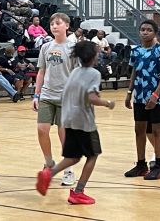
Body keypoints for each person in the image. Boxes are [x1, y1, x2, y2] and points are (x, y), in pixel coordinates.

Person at [36, 40, 115, 204]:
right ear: (93, 56)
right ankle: (78, 192)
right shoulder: (94, 73)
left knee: (73, 157)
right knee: (93, 155)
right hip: (84, 122)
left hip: (69, 119)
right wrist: (107, 103)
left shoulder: (75, 71)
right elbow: (91, 97)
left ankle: (49, 174)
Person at [32, 12, 78, 186]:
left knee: (64, 134)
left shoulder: (74, 48)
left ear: (67, 25)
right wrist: (36, 94)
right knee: (42, 129)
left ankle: (68, 169)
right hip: (47, 95)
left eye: (58, 23)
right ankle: (49, 162)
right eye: (52, 24)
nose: (54, 26)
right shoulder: (46, 47)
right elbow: (41, 72)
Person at [124, 20, 160, 180]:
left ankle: (159, 166)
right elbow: (134, 70)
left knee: (157, 130)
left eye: (149, 30)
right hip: (139, 97)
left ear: (155, 33)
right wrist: (129, 92)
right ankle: (141, 164)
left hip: (155, 97)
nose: (145, 32)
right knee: (139, 130)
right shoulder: (136, 50)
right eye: (142, 29)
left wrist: (156, 95)